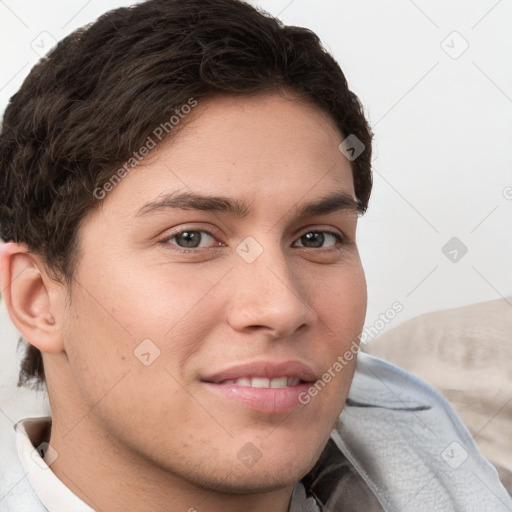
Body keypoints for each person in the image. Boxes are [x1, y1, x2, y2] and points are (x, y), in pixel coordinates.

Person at [0, 0, 510, 510]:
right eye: (191, 239)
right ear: (38, 299)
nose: (282, 307)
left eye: (316, 238)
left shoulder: (426, 433)